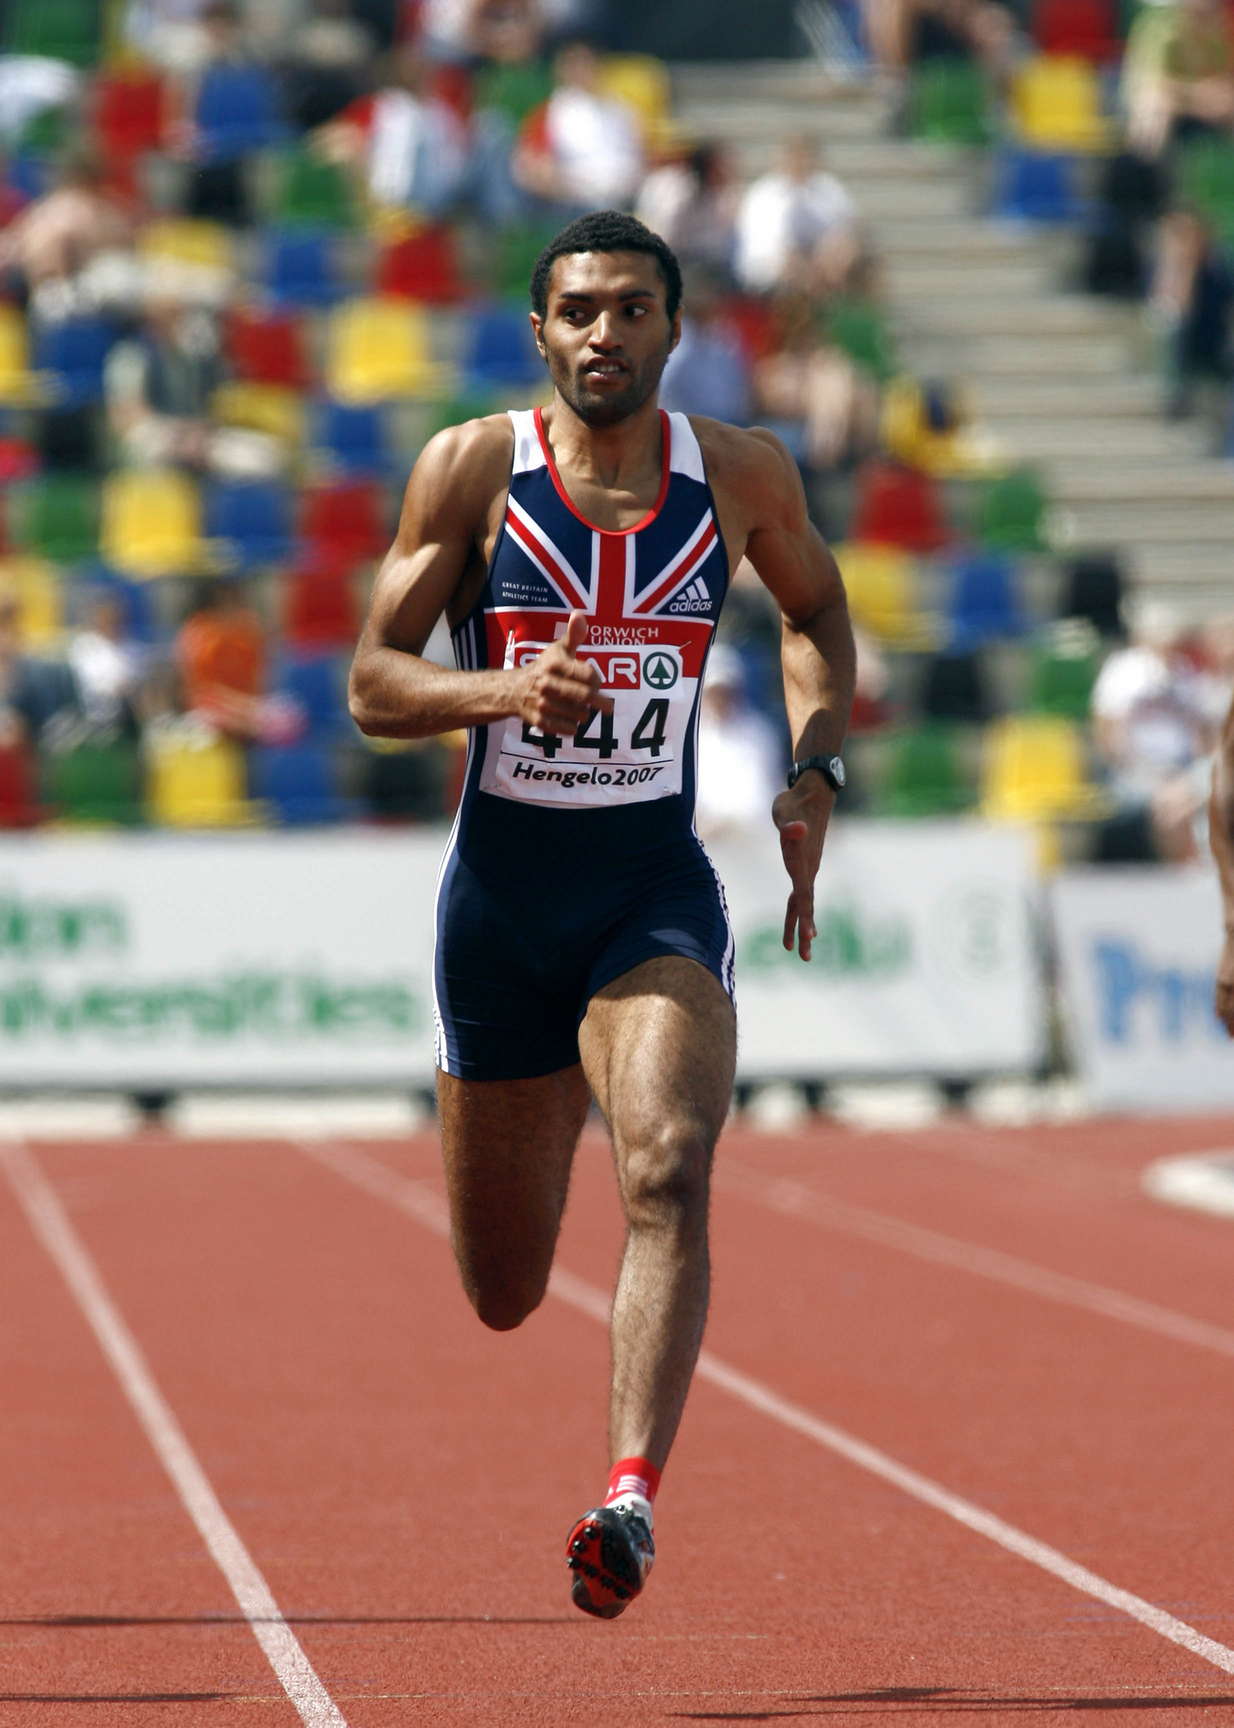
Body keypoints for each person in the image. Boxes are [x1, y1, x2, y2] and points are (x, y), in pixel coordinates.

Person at [348, 209, 854, 1619]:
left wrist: (816, 768)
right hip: (502, 909)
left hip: (649, 886)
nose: (604, 333)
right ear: (540, 332)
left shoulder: (738, 474)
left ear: (672, 327)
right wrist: (504, 690)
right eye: (578, 310)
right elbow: (373, 682)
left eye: (632, 307)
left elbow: (816, 615)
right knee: (504, 1291)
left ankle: (628, 1498)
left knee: (669, 1166)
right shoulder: (472, 470)